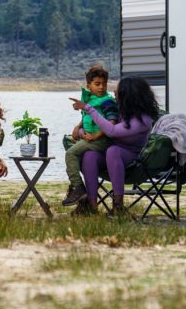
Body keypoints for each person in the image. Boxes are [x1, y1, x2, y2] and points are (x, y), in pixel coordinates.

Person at [70, 76, 160, 216]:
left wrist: (88, 107)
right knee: (90, 155)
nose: (114, 91)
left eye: (118, 90)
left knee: (113, 151)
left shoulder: (143, 119)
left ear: (128, 95)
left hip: (131, 156)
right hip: (109, 152)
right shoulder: (118, 109)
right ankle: (91, 205)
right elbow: (95, 127)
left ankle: (118, 206)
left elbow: (111, 131)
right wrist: (80, 130)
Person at [61, 65, 119, 207]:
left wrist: (95, 136)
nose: (101, 87)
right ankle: (83, 197)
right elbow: (88, 116)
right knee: (72, 147)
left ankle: (77, 187)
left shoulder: (107, 101)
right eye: (97, 84)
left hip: (102, 140)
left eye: (104, 84)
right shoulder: (91, 100)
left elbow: (111, 122)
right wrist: (78, 126)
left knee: (70, 154)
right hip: (90, 137)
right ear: (89, 85)